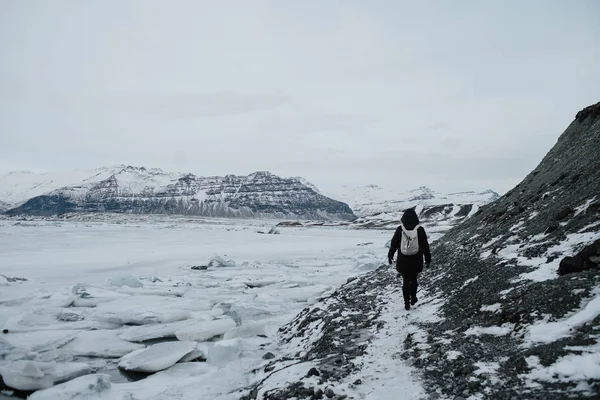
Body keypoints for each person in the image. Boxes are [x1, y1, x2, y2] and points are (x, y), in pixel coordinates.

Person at [387, 208, 431, 310]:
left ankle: (406, 303)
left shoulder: (400, 229)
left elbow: (393, 244)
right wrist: (428, 259)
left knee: (405, 280)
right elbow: (425, 246)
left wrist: (390, 256)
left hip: (403, 259)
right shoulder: (420, 229)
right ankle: (413, 298)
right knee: (414, 278)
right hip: (416, 259)